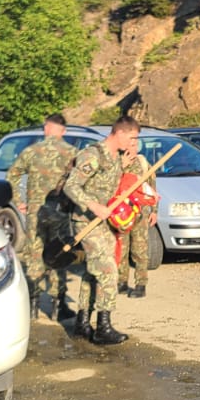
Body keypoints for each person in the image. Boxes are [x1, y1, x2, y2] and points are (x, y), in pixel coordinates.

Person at [63, 115, 140, 345]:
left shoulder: (115, 158)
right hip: (86, 222)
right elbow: (71, 186)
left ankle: (82, 322)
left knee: (93, 271)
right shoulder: (92, 155)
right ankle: (103, 327)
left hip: (104, 223)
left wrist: (123, 167)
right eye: (132, 138)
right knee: (107, 270)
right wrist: (93, 205)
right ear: (120, 133)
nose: (134, 143)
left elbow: (109, 183)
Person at [4, 113, 78, 321]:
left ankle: (33, 304)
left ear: (46, 128)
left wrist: (18, 200)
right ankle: (58, 305)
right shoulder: (72, 152)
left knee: (34, 255)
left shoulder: (32, 151)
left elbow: (12, 175)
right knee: (58, 255)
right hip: (61, 212)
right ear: (63, 130)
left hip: (35, 212)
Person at [116, 144, 157, 298]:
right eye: (129, 145)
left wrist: (154, 211)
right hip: (121, 214)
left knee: (139, 250)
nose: (131, 148)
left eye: (134, 146)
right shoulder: (117, 163)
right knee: (122, 249)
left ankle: (141, 284)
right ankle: (121, 282)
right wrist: (121, 165)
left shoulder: (144, 163)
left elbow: (152, 188)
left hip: (140, 213)